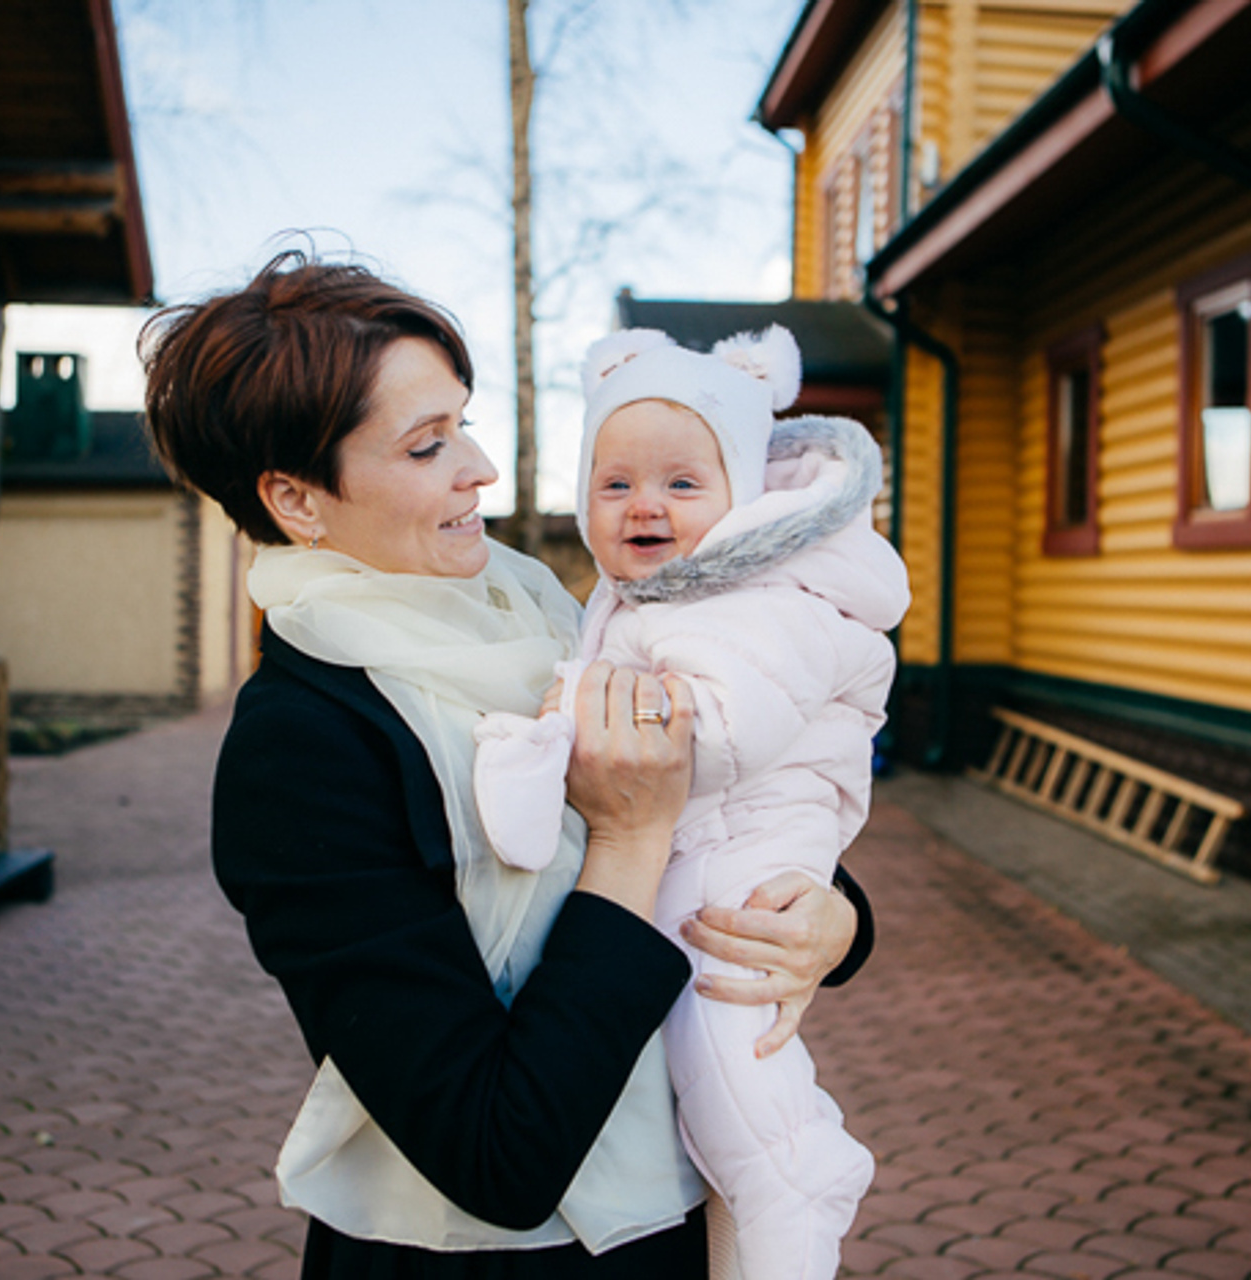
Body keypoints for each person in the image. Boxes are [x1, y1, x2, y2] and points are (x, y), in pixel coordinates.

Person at [139, 251, 875, 1280]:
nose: (480, 465)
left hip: (667, 1221)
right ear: (298, 500)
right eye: (427, 444)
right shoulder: (300, 747)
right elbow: (492, 1153)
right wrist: (624, 837)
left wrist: (834, 921)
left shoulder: (543, 611)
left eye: (464, 421)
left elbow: (718, 807)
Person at [474, 325, 910, 1279]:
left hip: (740, 861)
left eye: (682, 484)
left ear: (741, 497)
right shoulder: (636, 599)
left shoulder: (765, 594)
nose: (645, 507)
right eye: (616, 483)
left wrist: (568, 725)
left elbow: (706, 740)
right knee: (710, 1102)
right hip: (699, 854)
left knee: (728, 1071)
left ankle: (804, 1184)